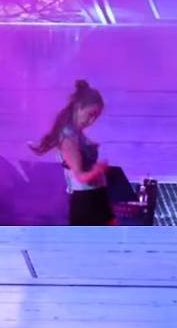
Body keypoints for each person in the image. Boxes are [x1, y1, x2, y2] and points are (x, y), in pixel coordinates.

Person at [30, 80, 115, 226]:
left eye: (96, 117)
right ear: (78, 108)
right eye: (91, 114)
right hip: (87, 201)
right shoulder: (68, 136)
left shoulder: (75, 134)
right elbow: (80, 177)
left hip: (95, 198)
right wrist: (98, 169)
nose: (92, 121)